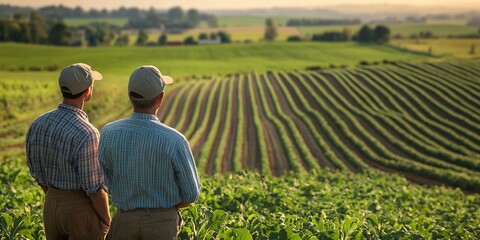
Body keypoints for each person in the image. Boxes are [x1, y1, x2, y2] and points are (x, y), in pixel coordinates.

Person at [99, 65, 201, 240]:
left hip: (124, 221)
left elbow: (103, 181)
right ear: (160, 98)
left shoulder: (109, 132)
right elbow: (191, 194)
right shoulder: (174, 139)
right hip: (162, 224)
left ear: (130, 96)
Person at [26, 63, 111, 239]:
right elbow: (94, 188)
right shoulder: (87, 133)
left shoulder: (38, 123)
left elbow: (35, 170)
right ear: (88, 91)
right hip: (80, 209)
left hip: (50, 205)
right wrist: (106, 219)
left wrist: (55, 198)